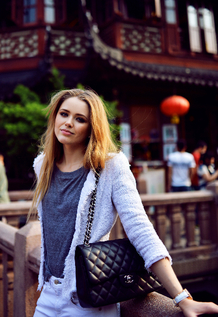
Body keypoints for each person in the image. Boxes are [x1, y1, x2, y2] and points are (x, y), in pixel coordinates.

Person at [30, 89, 218, 317]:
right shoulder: (43, 165)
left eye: (79, 119)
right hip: (48, 295)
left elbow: (140, 228)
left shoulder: (111, 167)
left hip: (87, 301)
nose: (68, 123)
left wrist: (182, 297)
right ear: (55, 117)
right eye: (64, 114)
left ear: (92, 127)